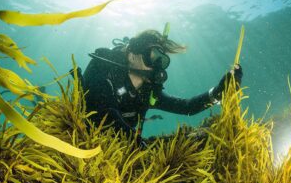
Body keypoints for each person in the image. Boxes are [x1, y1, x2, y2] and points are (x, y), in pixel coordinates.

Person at [81, 28, 243, 144]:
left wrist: (218, 92)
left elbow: (186, 107)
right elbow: (105, 113)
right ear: (131, 54)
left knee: (199, 140)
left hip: (126, 145)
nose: (157, 66)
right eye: (153, 57)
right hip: (84, 140)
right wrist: (140, 146)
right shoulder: (103, 71)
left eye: (162, 60)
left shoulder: (147, 91)